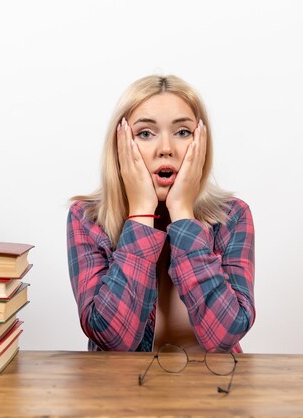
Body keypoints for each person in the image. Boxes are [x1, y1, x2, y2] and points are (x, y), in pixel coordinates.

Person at [66, 75, 255, 353]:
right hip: (123, 393)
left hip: (213, 390)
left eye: (182, 132)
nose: (166, 149)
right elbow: (112, 341)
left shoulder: (233, 216)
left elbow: (225, 335)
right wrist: (141, 213)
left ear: (201, 142)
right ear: (119, 146)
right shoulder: (86, 219)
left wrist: (182, 214)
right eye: (145, 133)